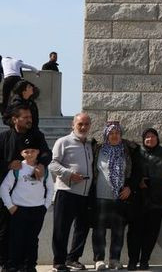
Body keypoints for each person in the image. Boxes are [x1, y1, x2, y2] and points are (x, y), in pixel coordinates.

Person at [0, 103, 51, 270]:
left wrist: (42, 164)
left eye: (30, 117)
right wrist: (8, 164)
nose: (30, 120)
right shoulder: (4, 138)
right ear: (15, 119)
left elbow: (45, 153)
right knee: (5, 232)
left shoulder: (36, 135)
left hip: (29, 201)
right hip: (6, 197)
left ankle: (26, 265)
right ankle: (7, 264)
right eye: (26, 117)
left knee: (28, 237)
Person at [91, 122, 139, 271]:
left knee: (118, 230)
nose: (114, 136)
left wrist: (130, 187)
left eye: (117, 133)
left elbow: (136, 171)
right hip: (100, 196)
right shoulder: (98, 150)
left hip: (119, 197)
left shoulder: (127, 151)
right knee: (99, 229)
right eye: (111, 133)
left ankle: (114, 259)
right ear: (106, 134)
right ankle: (99, 259)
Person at [49, 113, 93, 271]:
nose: (83, 127)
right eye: (80, 124)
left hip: (84, 194)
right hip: (66, 192)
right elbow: (52, 165)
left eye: (87, 124)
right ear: (73, 125)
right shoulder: (63, 142)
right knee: (61, 229)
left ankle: (73, 259)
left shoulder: (89, 145)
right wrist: (69, 175)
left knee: (82, 228)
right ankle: (59, 261)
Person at [127, 128, 162, 271]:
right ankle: (132, 261)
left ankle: (144, 260)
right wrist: (137, 182)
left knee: (151, 232)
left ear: (157, 138)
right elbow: (130, 172)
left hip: (158, 200)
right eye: (147, 137)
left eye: (153, 136)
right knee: (135, 231)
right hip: (138, 199)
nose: (150, 139)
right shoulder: (136, 153)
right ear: (143, 139)